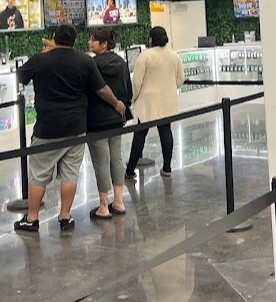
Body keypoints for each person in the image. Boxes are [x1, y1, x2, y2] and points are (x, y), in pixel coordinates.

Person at [14, 24, 126, 233]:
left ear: (54, 38)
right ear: (74, 41)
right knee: (70, 174)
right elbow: (101, 89)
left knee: (38, 174)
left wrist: (43, 58)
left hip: (47, 128)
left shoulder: (40, 60)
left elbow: (18, 77)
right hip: (76, 127)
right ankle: (65, 216)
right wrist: (116, 103)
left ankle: (32, 218)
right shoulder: (84, 60)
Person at [126, 26, 185, 179]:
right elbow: (180, 80)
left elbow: (137, 82)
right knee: (166, 132)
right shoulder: (174, 56)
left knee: (139, 134)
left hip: (147, 102)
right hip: (168, 101)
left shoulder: (145, 56)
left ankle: (130, 170)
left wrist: (132, 99)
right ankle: (167, 167)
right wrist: (169, 89)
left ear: (151, 39)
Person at [86, 28, 132, 219]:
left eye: (93, 40)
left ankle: (104, 206)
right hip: (116, 118)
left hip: (96, 120)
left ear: (104, 44)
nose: (89, 42)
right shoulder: (121, 62)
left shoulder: (91, 64)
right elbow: (128, 90)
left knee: (101, 162)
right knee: (116, 158)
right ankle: (119, 202)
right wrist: (121, 106)